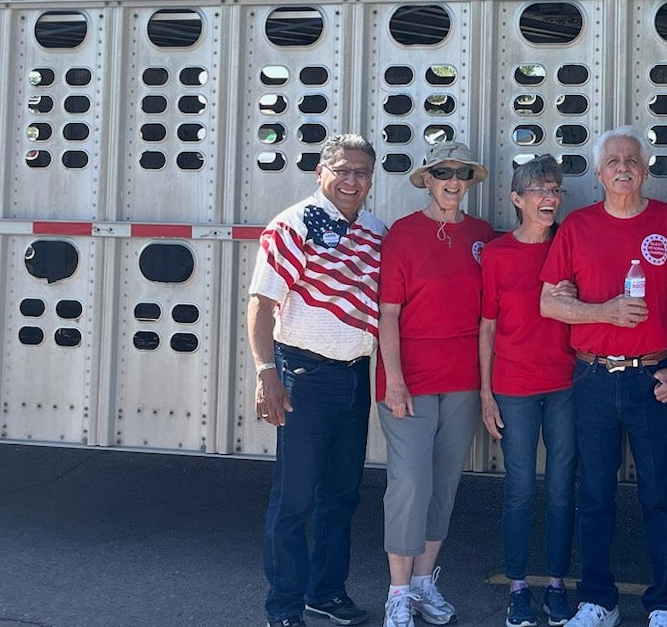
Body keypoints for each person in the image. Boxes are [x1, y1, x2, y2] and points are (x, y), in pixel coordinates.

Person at [539, 126, 667, 627]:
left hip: (652, 378)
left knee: (659, 494)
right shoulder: (577, 227)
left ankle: (666, 605)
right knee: (595, 493)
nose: (623, 167)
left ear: (645, 170)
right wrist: (604, 312)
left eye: (632, 159)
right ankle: (597, 600)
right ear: (599, 173)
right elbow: (548, 302)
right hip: (595, 379)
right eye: (613, 161)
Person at [247, 133, 387, 627]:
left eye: (362, 173)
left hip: (354, 375)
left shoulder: (375, 230)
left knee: (342, 494)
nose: (352, 181)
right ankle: (283, 608)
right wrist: (267, 373)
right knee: (295, 498)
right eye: (342, 170)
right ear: (320, 172)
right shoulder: (293, 225)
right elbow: (261, 304)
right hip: (303, 375)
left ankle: (325, 593)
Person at [375, 139, 496, 627]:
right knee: (409, 481)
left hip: (463, 379)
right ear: (427, 179)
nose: (453, 181)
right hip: (410, 379)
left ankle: (425, 583)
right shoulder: (403, 234)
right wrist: (395, 381)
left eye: (461, 173)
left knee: (443, 482)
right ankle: (398, 591)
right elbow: (387, 315)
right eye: (443, 172)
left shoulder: (482, 234)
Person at [480, 155, 578, 627]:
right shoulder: (497, 253)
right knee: (519, 489)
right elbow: (487, 327)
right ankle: (518, 587)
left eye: (556, 190)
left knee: (561, 489)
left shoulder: (570, 243)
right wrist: (485, 392)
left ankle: (557, 585)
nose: (550, 198)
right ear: (517, 199)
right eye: (540, 190)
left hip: (566, 385)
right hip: (514, 387)